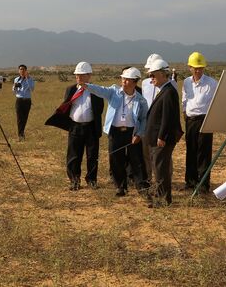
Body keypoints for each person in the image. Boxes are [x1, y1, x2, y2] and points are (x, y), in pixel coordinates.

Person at [83, 67, 149, 196]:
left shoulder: (141, 100)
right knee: (115, 159)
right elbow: (101, 90)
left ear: (135, 82)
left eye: (127, 80)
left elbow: (144, 119)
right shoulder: (114, 92)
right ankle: (120, 186)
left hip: (132, 133)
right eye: (123, 78)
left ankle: (142, 188)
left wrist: (139, 134)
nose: (123, 81)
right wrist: (87, 86)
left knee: (137, 161)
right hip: (115, 132)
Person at [145, 59, 182, 207]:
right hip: (156, 137)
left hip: (161, 139)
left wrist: (162, 136)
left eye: (153, 75)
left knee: (161, 169)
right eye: (150, 75)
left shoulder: (168, 92)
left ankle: (164, 199)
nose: (151, 78)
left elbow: (168, 117)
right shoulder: (165, 91)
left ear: (162, 74)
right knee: (158, 167)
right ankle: (161, 196)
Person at [65, 62, 104, 190]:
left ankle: (91, 180)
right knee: (74, 155)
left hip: (91, 127)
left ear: (89, 76)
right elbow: (66, 107)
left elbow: (99, 109)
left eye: (82, 75)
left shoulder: (96, 91)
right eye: (77, 75)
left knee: (92, 155)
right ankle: (74, 180)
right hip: (75, 127)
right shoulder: (71, 90)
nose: (79, 78)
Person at [181, 52, 217, 192]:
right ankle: (190, 182)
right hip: (190, 120)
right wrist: (185, 114)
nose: (198, 70)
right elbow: (184, 100)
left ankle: (203, 184)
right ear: (190, 67)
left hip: (204, 120)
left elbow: (215, 102)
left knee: (203, 153)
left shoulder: (212, 83)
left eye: (200, 68)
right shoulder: (186, 82)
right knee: (191, 151)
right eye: (195, 68)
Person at [12, 64, 35, 141]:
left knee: (25, 118)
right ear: (18, 71)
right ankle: (20, 135)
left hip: (27, 101)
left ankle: (22, 133)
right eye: (20, 69)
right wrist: (15, 87)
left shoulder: (30, 79)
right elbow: (13, 91)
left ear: (26, 71)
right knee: (19, 118)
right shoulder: (16, 79)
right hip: (19, 100)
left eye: (23, 69)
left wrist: (27, 78)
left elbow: (32, 89)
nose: (22, 71)